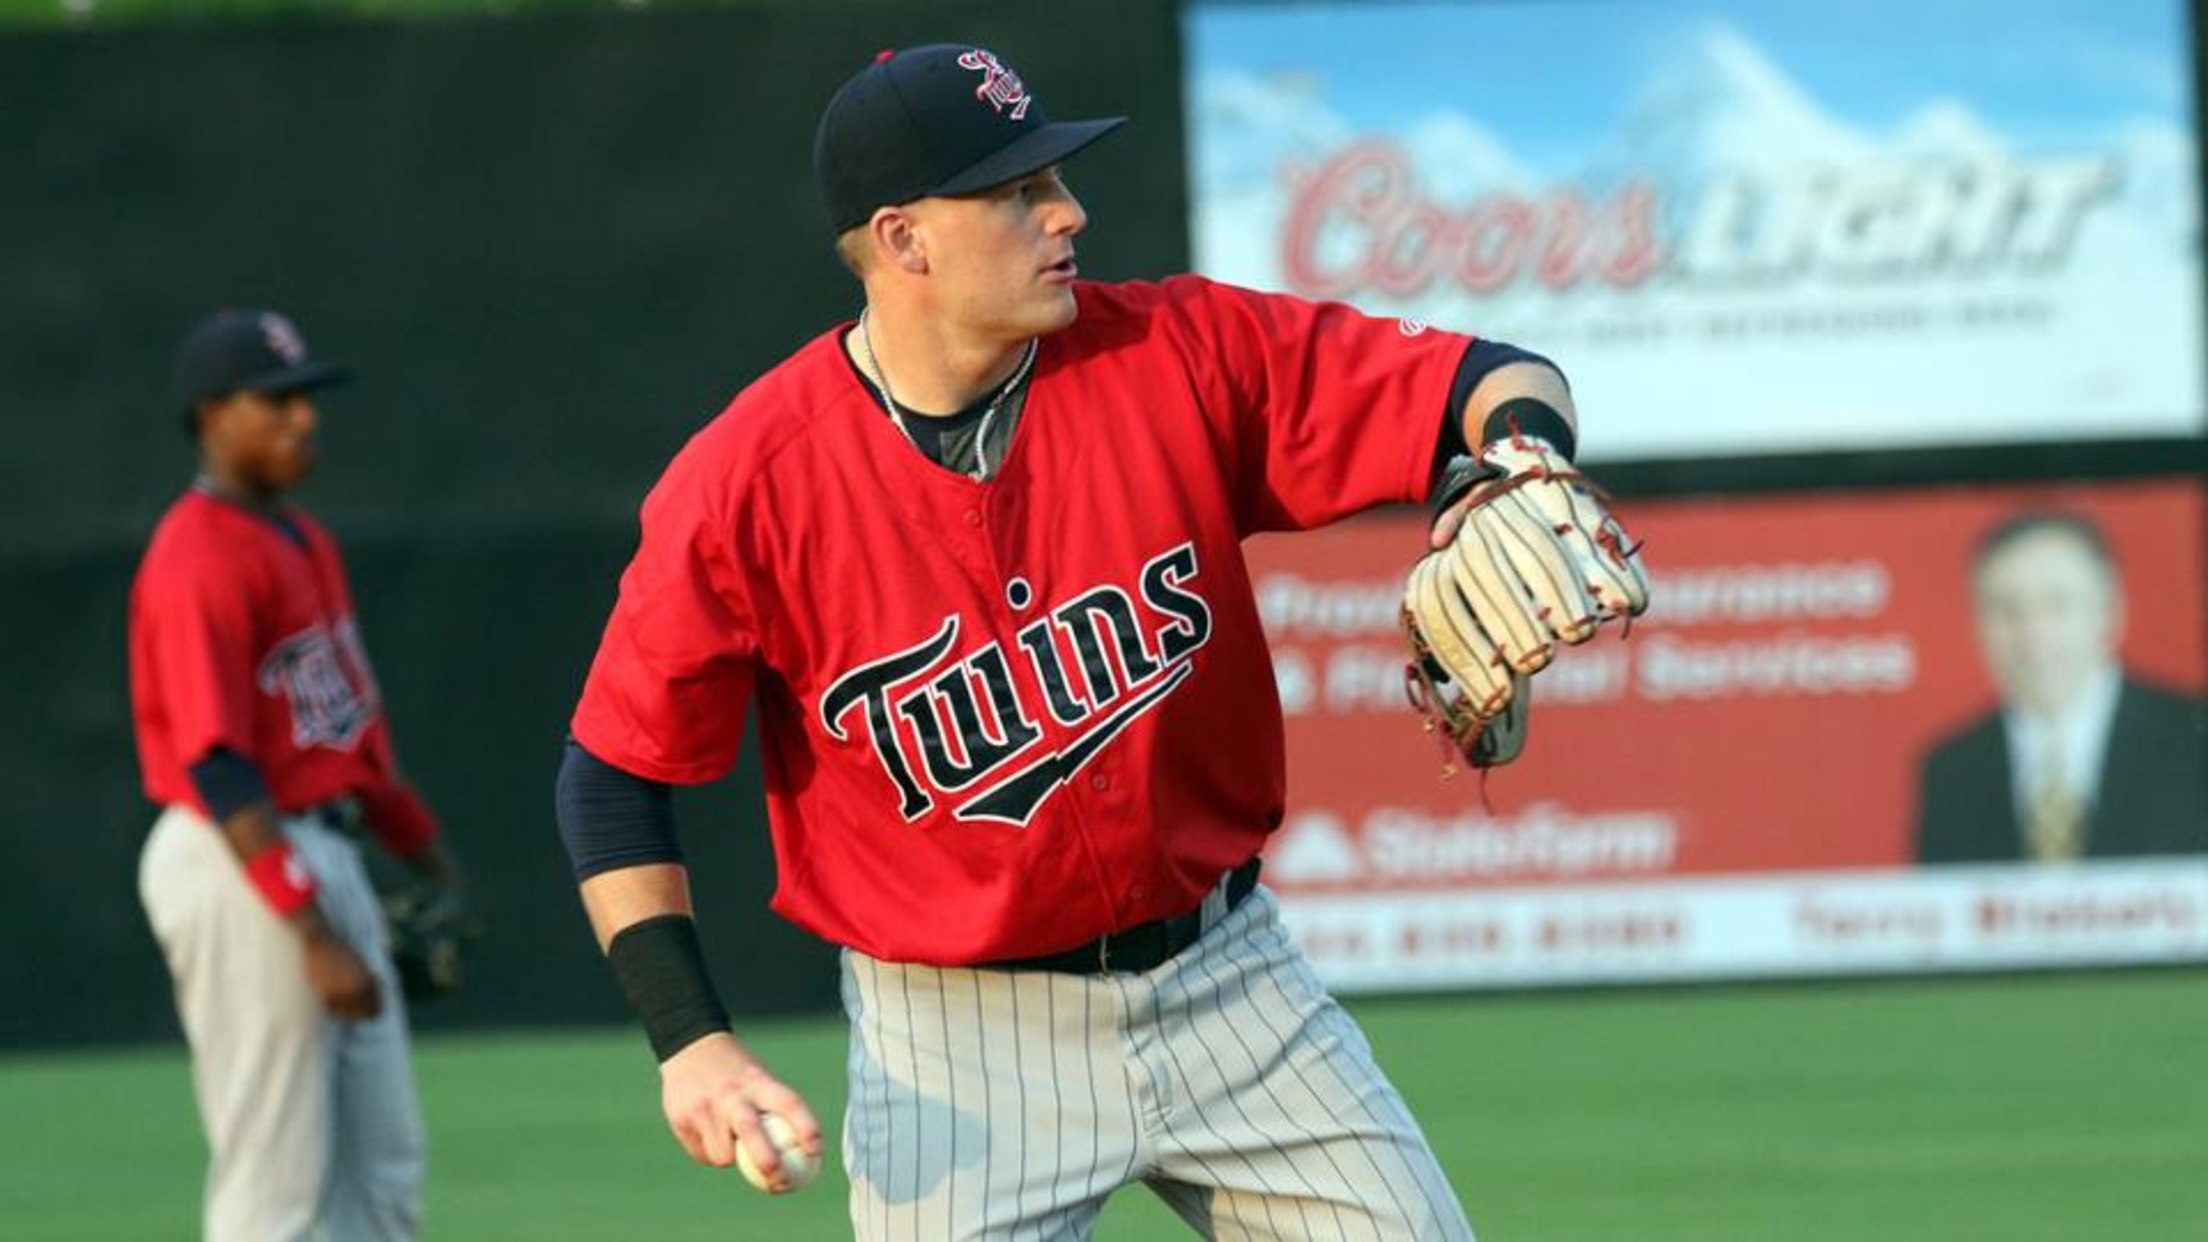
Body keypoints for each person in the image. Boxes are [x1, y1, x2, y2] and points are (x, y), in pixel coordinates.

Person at [555, 44, 1626, 1239]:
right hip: (956, 1050)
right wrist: (690, 1041)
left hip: (1233, 990)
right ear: (905, 240)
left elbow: (1489, 376)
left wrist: (1512, 460)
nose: (1068, 212)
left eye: (1055, 180)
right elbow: (613, 779)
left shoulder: (1175, 352)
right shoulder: (748, 485)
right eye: (1019, 193)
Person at [130, 308, 463, 1240]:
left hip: (321, 848)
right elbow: (217, 762)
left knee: (383, 1170)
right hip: (240, 858)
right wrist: (311, 931)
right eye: (275, 401)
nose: (303, 419)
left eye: (306, 398)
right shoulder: (195, 557)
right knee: (277, 1181)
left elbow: (347, 736)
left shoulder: (303, 539)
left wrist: (429, 859)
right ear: (212, 415)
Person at [1915, 510, 2207, 863]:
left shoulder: (2194, 740)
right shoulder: (1951, 770)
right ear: (1978, 624)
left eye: (2058, 605)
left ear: (2110, 611)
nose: (2033, 633)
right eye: (2007, 609)